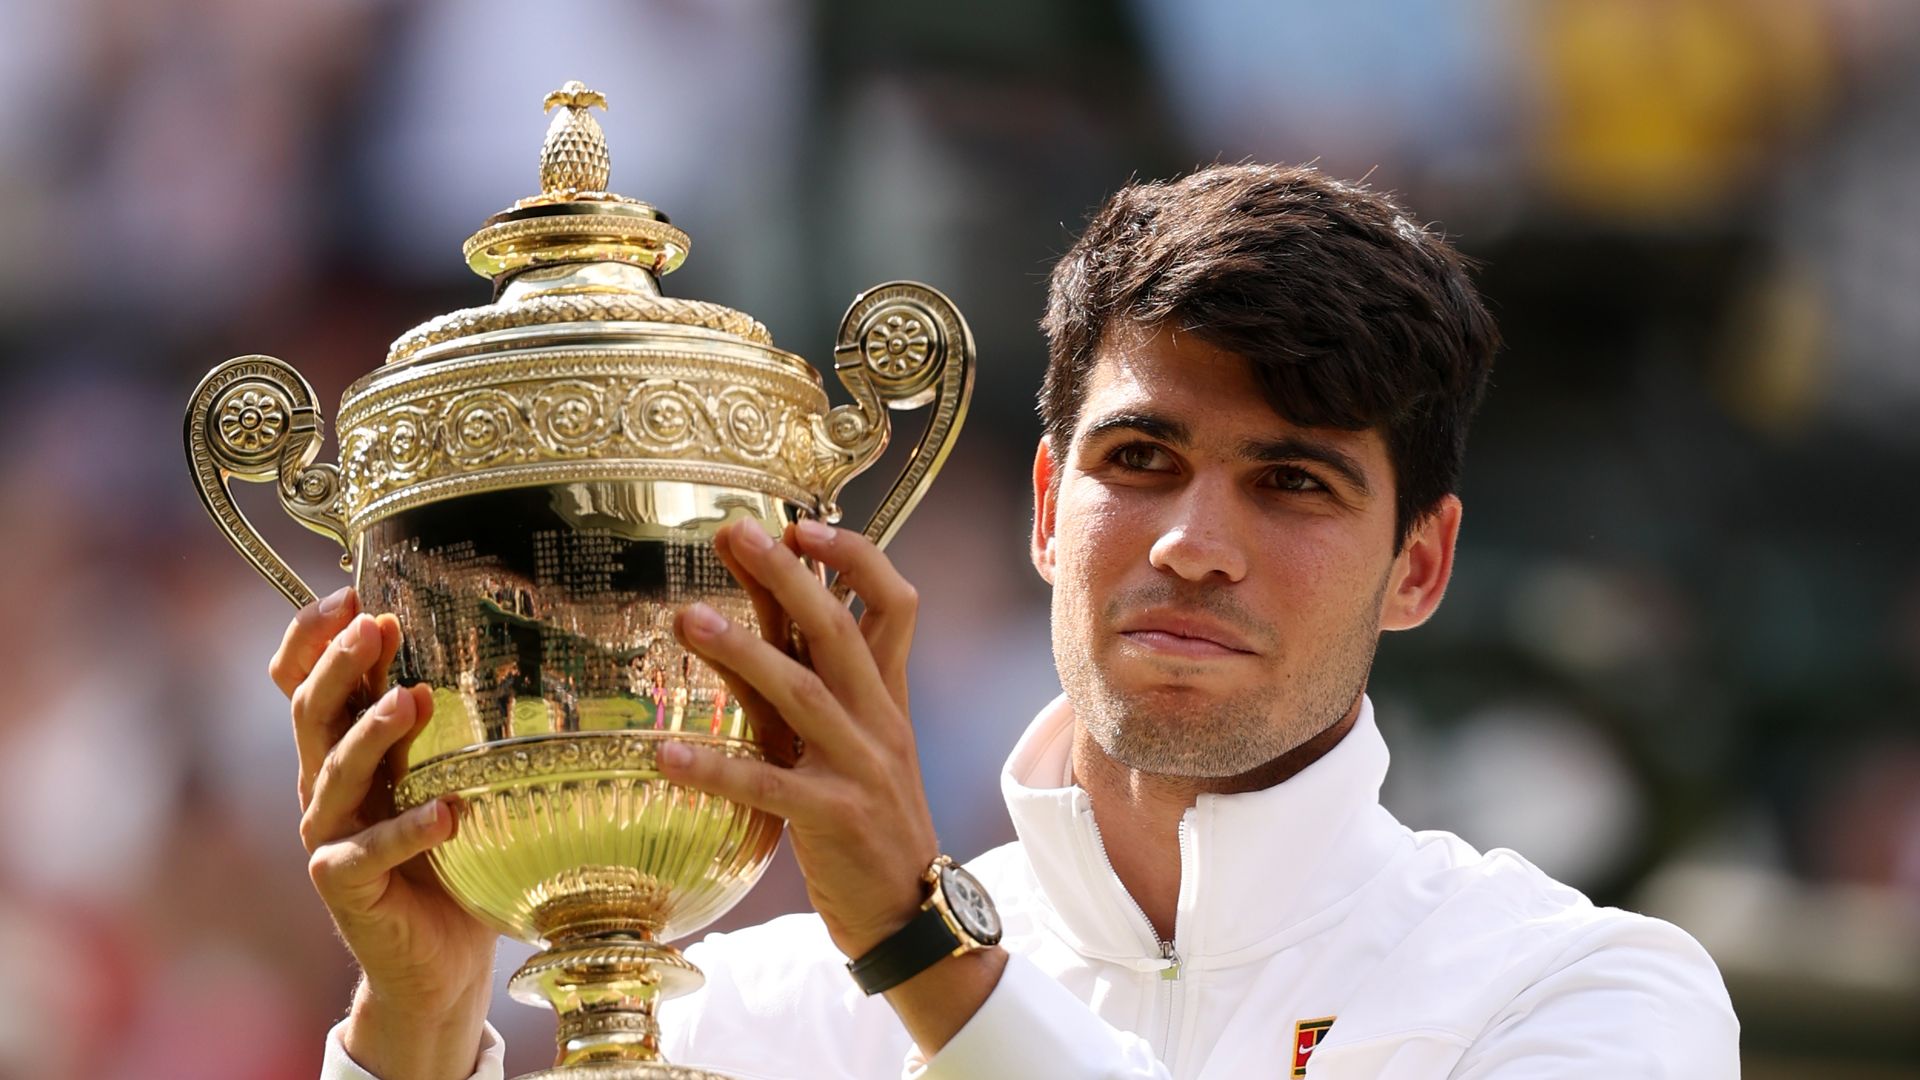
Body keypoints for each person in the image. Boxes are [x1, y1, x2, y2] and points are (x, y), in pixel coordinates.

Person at [274, 164, 1739, 1079]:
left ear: (1420, 567)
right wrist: (414, 1031)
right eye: (1139, 461)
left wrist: (928, 950)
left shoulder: (1588, 995)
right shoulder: (746, 1021)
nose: (1190, 544)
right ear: (1047, 508)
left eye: (1292, 484)